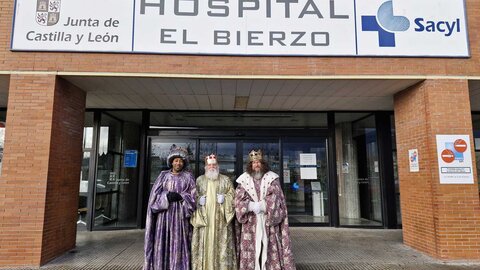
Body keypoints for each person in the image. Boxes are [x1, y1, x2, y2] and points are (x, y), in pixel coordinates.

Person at [235, 150, 296, 270]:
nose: (256, 165)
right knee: (250, 250)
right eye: (254, 163)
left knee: (269, 247)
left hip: (268, 221)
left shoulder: (272, 178)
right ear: (250, 165)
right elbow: (238, 199)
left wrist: (263, 206)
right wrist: (250, 206)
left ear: (263, 164)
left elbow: (276, 196)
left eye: (258, 162)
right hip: (251, 222)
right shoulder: (243, 179)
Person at [144, 146, 196, 270]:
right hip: (164, 218)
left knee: (179, 244)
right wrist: (166, 196)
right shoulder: (163, 176)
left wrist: (182, 196)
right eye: (176, 160)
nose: (178, 163)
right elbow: (154, 198)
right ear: (171, 162)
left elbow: (195, 197)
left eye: (181, 161)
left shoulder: (188, 177)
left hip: (180, 218)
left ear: (184, 163)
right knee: (163, 243)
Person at [191, 154, 237, 270]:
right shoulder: (199, 180)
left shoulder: (226, 180)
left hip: (220, 222)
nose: (212, 167)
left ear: (218, 166)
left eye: (214, 164)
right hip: (204, 221)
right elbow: (191, 197)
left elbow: (233, 196)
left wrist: (225, 199)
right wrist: (197, 200)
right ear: (206, 166)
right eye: (209, 165)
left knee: (221, 247)